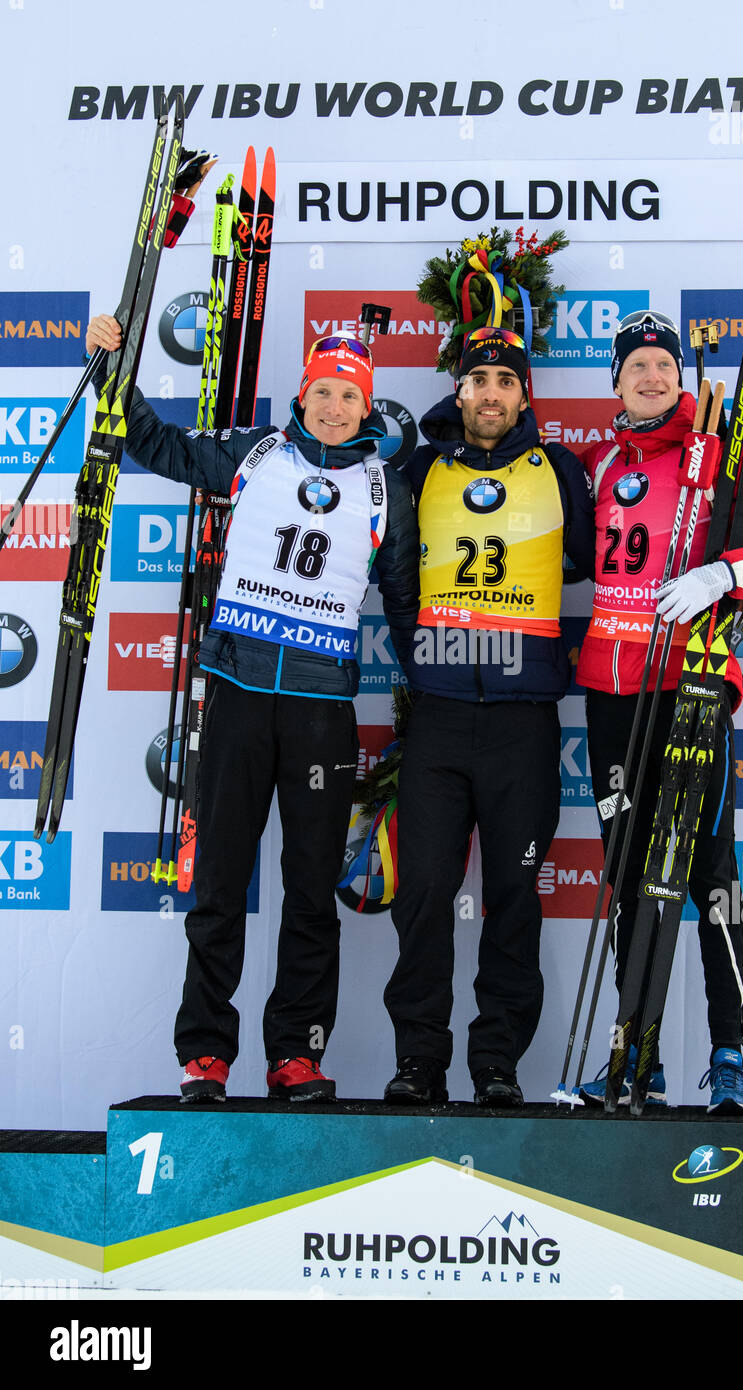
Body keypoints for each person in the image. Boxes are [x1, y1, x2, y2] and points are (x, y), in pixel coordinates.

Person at [85, 315, 419, 1102]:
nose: (334, 406)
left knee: (308, 890)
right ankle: (205, 1053)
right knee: (221, 882)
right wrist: (113, 370)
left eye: (349, 394)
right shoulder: (257, 452)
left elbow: (403, 605)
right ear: (302, 393)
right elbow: (160, 447)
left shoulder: (384, 487)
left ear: (365, 405)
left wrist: (425, 698)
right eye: (323, 390)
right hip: (235, 695)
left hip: (319, 709)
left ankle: (296, 1053)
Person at [577, 310, 743, 1112]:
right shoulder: (599, 464)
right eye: (636, 365)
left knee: (708, 877)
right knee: (625, 881)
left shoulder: (721, 458)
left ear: (680, 376)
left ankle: (727, 1055)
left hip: (691, 691)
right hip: (613, 698)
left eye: (663, 364)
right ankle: (634, 1053)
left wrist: (724, 575)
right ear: (614, 380)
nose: (651, 376)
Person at [383, 326, 594, 1107]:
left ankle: (496, 1063)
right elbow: (395, 577)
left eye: (508, 379)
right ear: (459, 390)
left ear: (524, 393)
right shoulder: (421, 468)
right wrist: (419, 662)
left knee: (514, 894)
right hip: (438, 719)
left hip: (523, 723)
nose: (494, 393)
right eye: (481, 380)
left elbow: (605, 562)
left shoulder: (560, 469)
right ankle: (417, 1063)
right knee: (424, 894)